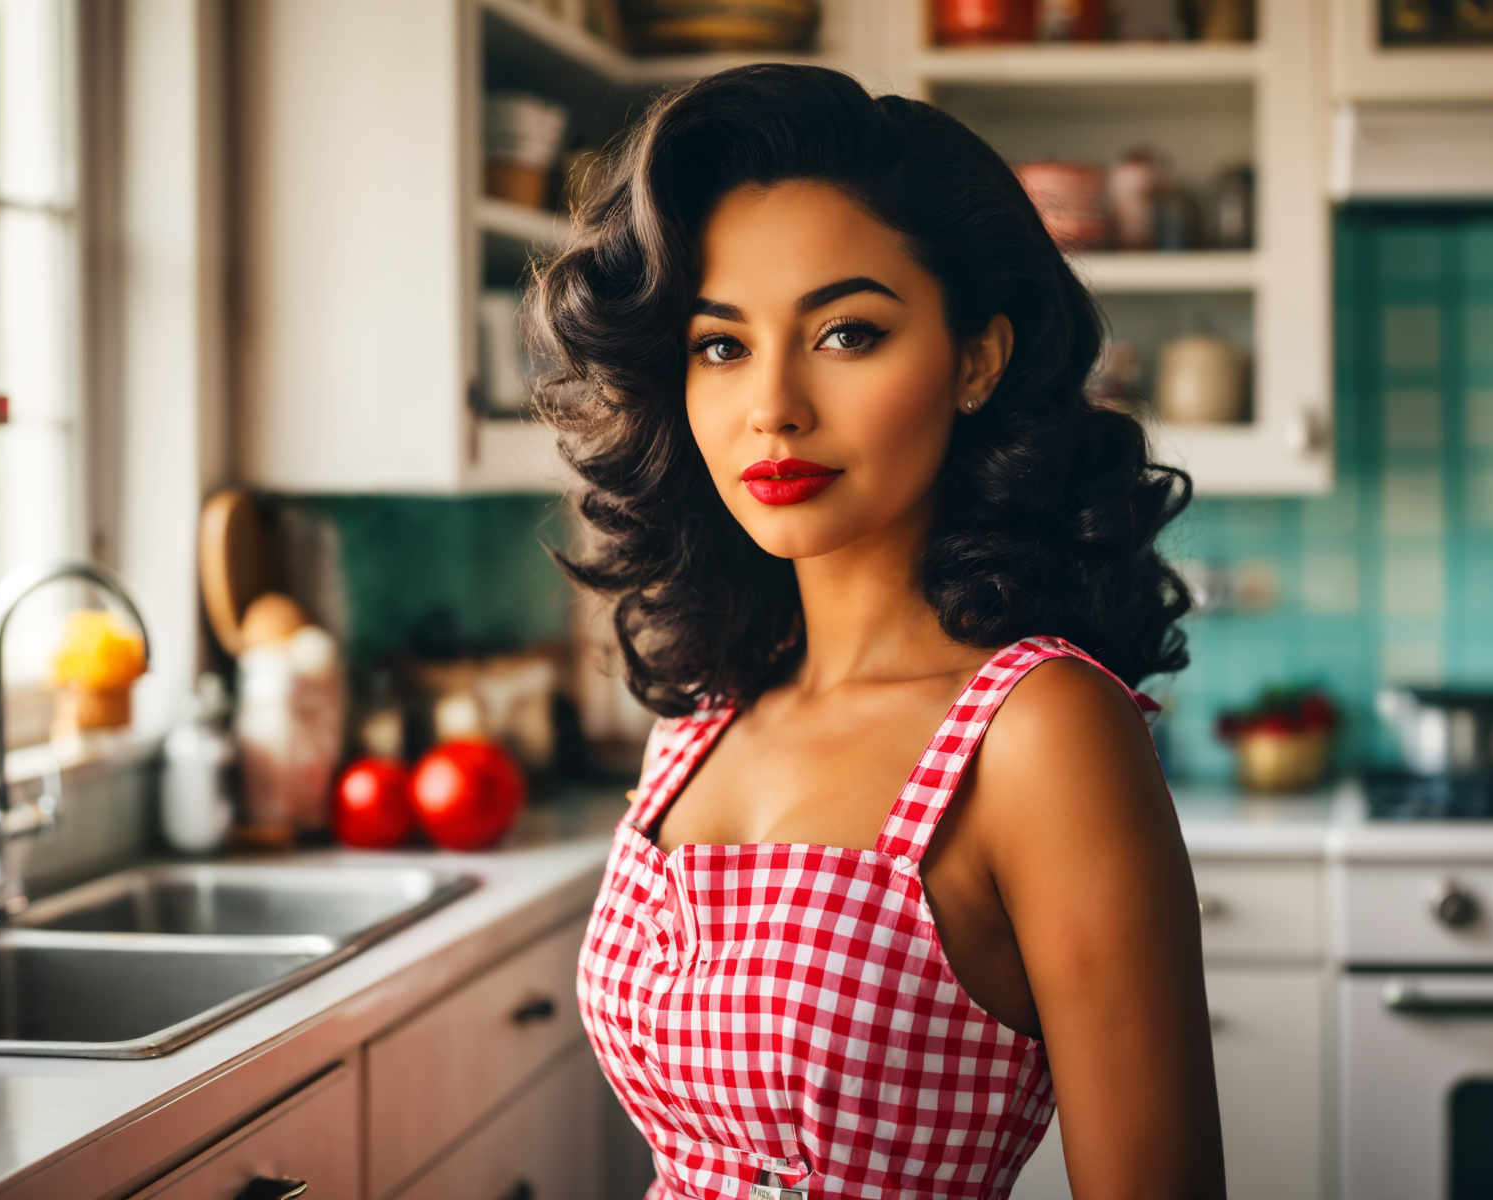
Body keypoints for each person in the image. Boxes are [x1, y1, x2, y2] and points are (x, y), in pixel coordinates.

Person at [525, 62, 1225, 1200]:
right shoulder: (701, 717)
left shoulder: (1040, 733)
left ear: (975, 360)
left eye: (845, 333)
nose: (773, 406)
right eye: (720, 344)